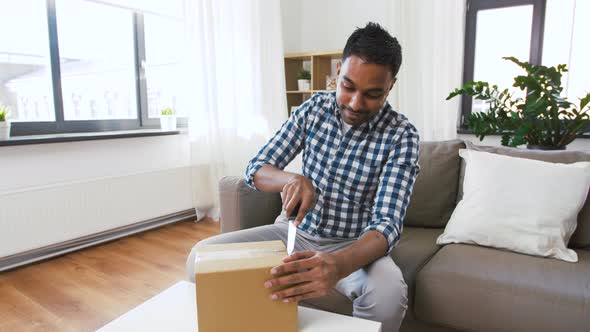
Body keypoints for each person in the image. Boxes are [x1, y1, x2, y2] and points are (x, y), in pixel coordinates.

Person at [187, 22, 420, 332]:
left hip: (353, 243)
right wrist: (291, 180)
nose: (354, 103)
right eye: (348, 86)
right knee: (200, 258)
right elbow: (257, 167)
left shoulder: (402, 136)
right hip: (293, 235)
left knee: (389, 295)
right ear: (338, 73)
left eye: (372, 94)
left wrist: (337, 265)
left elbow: (387, 225)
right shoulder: (312, 110)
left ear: (390, 86)